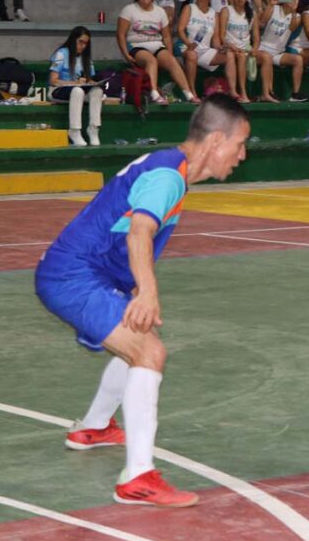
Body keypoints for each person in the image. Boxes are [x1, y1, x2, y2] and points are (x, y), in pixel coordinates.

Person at [36, 94, 250, 508]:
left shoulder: (170, 167)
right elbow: (139, 231)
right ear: (216, 141)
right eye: (239, 144)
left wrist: (136, 287)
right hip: (73, 276)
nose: (241, 155)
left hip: (81, 272)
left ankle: (94, 427)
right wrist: (148, 290)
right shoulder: (169, 177)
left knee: (138, 334)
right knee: (150, 353)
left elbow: (121, 226)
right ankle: (137, 477)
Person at [118, 0, 199, 105]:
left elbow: (166, 36)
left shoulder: (160, 11)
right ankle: (154, 94)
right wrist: (125, 54)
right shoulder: (128, 10)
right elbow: (121, 35)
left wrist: (170, 53)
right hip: (136, 45)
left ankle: (188, 94)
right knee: (151, 61)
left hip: (157, 45)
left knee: (172, 61)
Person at [177, 0, 236, 100]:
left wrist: (221, 48)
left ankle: (232, 91)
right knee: (192, 55)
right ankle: (192, 92)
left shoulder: (214, 14)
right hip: (186, 47)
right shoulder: (189, 8)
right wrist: (188, 43)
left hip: (204, 51)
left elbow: (215, 39)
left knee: (229, 55)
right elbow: (180, 29)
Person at [50, 26, 104, 147]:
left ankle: (93, 128)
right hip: (59, 90)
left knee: (97, 91)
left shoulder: (86, 58)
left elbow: (89, 79)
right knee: (77, 90)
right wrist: (74, 83)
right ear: (73, 39)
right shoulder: (61, 53)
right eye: (80, 42)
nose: (83, 46)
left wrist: (90, 82)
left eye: (86, 43)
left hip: (78, 90)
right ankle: (74, 130)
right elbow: (53, 80)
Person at [257, 0, 304, 102]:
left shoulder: (297, 16)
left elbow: (292, 27)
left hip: (278, 53)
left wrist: (293, 11)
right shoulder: (275, 9)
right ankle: (269, 93)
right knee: (267, 58)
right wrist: (270, 4)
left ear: (297, 0)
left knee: (298, 59)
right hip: (263, 49)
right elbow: (262, 21)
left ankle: (295, 94)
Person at [218, 0, 257, 102]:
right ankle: (236, 91)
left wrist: (254, 48)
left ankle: (264, 92)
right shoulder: (226, 10)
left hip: (245, 48)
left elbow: (256, 37)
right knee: (238, 55)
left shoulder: (252, 13)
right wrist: (230, 45)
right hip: (230, 47)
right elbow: (221, 35)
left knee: (264, 57)